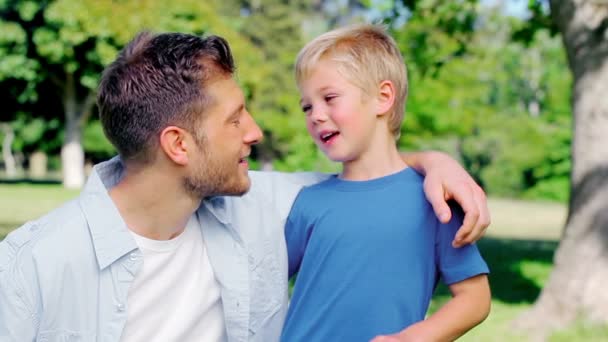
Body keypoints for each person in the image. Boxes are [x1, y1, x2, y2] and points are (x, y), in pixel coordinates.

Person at [0, 31, 489, 342]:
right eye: (235, 119)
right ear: (178, 145)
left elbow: (375, 184)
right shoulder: (32, 267)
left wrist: (435, 163)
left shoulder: (261, 204)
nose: (255, 132)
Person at [281, 24, 491, 342]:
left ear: (383, 97)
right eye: (307, 106)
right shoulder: (308, 201)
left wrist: (411, 339)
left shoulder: (434, 199)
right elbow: (262, 282)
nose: (316, 115)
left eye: (330, 98)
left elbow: (475, 300)